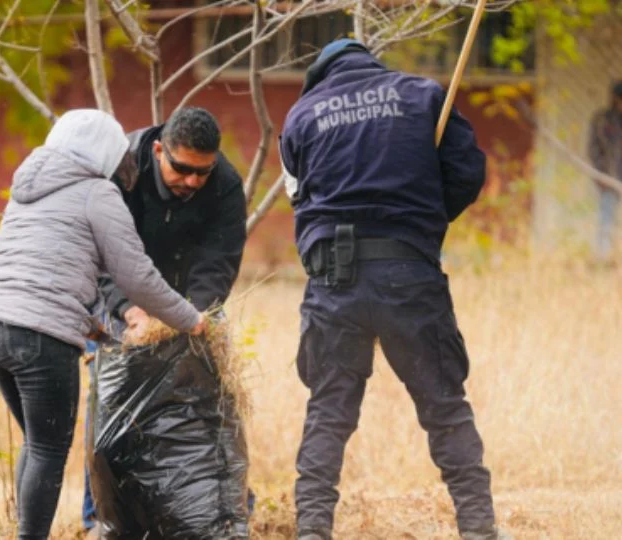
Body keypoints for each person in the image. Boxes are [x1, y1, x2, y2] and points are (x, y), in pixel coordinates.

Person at [279, 39, 510, 540]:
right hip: (409, 275)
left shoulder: (302, 116)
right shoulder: (425, 96)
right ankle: (478, 528)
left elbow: (298, 196)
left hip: (333, 281)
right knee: (444, 404)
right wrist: (422, 216)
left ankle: (313, 531)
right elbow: (469, 171)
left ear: (322, 75)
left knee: (328, 410)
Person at [0, 108, 207, 540]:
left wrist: (101, 328)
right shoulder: (96, 192)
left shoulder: (28, 188)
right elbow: (137, 276)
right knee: (48, 448)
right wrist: (191, 320)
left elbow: (53, 267)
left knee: (36, 442)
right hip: (39, 336)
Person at [82, 106, 251, 534]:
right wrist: (128, 309)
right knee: (110, 404)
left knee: (209, 402)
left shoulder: (225, 185)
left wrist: (189, 315)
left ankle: (220, 509)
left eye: (203, 172)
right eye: (182, 169)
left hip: (185, 304)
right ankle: (102, 516)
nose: (193, 181)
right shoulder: (120, 171)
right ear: (158, 150)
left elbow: (219, 261)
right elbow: (98, 254)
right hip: (122, 301)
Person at [587, 80, 622, 264]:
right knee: (606, 219)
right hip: (609, 178)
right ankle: (604, 258)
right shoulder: (603, 120)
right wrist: (601, 174)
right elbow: (593, 149)